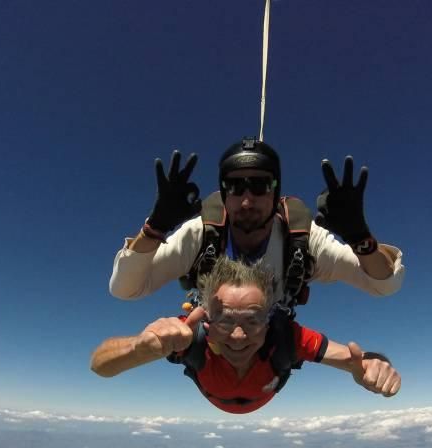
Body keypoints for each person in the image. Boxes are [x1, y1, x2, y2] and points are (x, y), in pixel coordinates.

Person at [109, 137, 405, 305]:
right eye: (235, 187)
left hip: (271, 348)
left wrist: (360, 239)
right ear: (223, 193)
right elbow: (126, 289)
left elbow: (383, 284)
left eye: (260, 185)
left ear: (277, 191)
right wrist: (154, 228)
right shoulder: (201, 233)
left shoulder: (302, 238)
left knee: (283, 346)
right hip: (215, 345)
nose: (247, 200)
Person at [92, 257, 401, 415]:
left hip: (232, 395)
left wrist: (374, 367)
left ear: (269, 321)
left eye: (253, 321)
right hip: (248, 396)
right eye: (225, 320)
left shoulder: (286, 336)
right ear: (206, 319)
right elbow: (100, 364)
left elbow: (356, 361)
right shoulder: (186, 335)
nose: (239, 335)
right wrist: (140, 348)